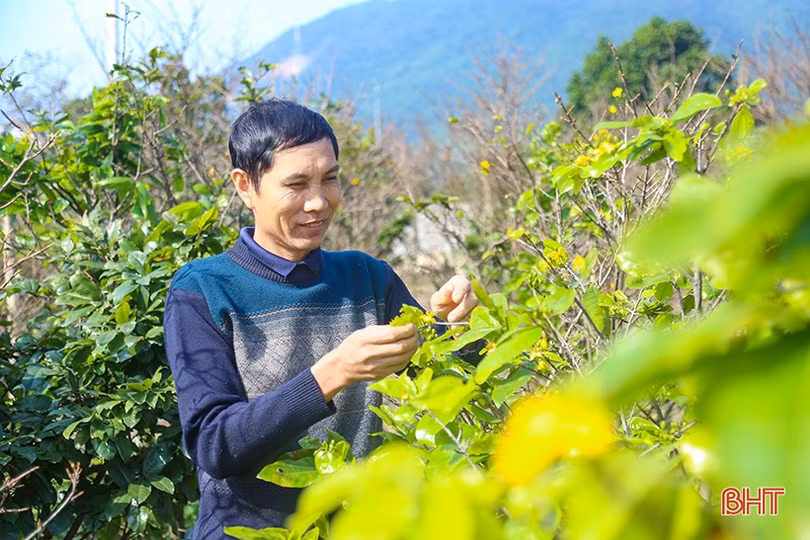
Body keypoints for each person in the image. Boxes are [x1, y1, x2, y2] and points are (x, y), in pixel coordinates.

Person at [163, 98, 480, 538]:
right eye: (296, 184)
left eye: (329, 179)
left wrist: (452, 328)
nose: (318, 202)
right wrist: (330, 375)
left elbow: (448, 381)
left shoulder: (367, 276)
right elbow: (214, 445)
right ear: (245, 186)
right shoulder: (203, 289)